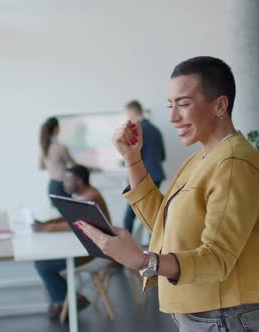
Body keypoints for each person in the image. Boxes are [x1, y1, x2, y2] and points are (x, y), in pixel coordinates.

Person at [76, 57, 259, 332]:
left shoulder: (233, 164)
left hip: (225, 320)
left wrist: (143, 260)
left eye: (183, 104)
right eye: (170, 106)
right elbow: (163, 223)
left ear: (220, 105)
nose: (172, 117)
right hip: (207, 318)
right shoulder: (201, 159)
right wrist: (132, 159)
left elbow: (217, 259)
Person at [33, 165, 110, 319]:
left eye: (68, 180)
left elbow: (73, 222)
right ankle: (64, 299)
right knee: (45, 261)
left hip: (94, 253)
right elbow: (70, 217)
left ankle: (69, 299)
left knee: (43, 265)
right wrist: (46, 223)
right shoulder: (86, 194)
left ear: (79, 181)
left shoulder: (90, 198)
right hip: (89, 248)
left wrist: (47, 227)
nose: (64, 183)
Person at [122, 100, 166, 234]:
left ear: (131, 112)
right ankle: (155, 247)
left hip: (143, 177)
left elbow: (133, 156)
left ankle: (125, 249)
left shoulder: (137, 131)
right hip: (157, 175)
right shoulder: (156, 130)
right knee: (152, 214)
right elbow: (163, 156)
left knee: (130, 216)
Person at [39, 117, 77, 205]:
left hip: (52, 185)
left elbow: (41, 166)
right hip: (62, 185)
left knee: (57, 214)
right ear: (56, 128)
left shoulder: (45, 147)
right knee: (69, 212)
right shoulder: (60, 147)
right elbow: (74, 165)